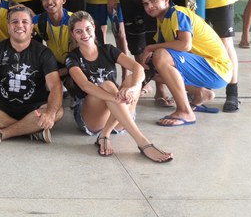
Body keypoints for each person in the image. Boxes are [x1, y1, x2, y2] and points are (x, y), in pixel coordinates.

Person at [66, 11, 172, 163]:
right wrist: (115, 98)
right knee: (108, 85)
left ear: (93, 27)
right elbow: (85, 85)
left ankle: (105, 135)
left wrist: (133, 88)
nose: (85, 34)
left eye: (88, 29)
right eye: (79, 31)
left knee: (131, 79)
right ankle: (143, 143)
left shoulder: (108, 49)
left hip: (119, 116)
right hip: (93, 118)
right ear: (73, 34)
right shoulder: (72, 57)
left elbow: (138, 68)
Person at [138, 0, 233, 127]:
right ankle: (200, 93)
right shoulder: (162, 21)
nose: (149, 6)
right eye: (146, 4)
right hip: (205, 68)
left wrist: (151, 47)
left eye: (153, 0)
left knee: (160, 55)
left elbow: (185, 45)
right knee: (151, 69)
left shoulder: (178, 13)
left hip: (217, 69)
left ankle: (185, 112)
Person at [0, 6, 63, 145]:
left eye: (25, 22)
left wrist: (49, 113)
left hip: (34, 107)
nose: (19, 25)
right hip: (4, 107)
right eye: (14, 22)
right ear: (8, 27)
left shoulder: (44, 52)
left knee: (57, 111)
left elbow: (55, 86)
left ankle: (2, 133)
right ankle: (32, 130)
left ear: (31, 28)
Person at [31, 0, 72, 80]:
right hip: (55, 63)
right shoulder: (39, 21)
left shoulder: (74, 21)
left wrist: (57, 73)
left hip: (76, 65)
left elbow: (85, 56)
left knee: (72, 84)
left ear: (63, 0)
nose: (49, 2)